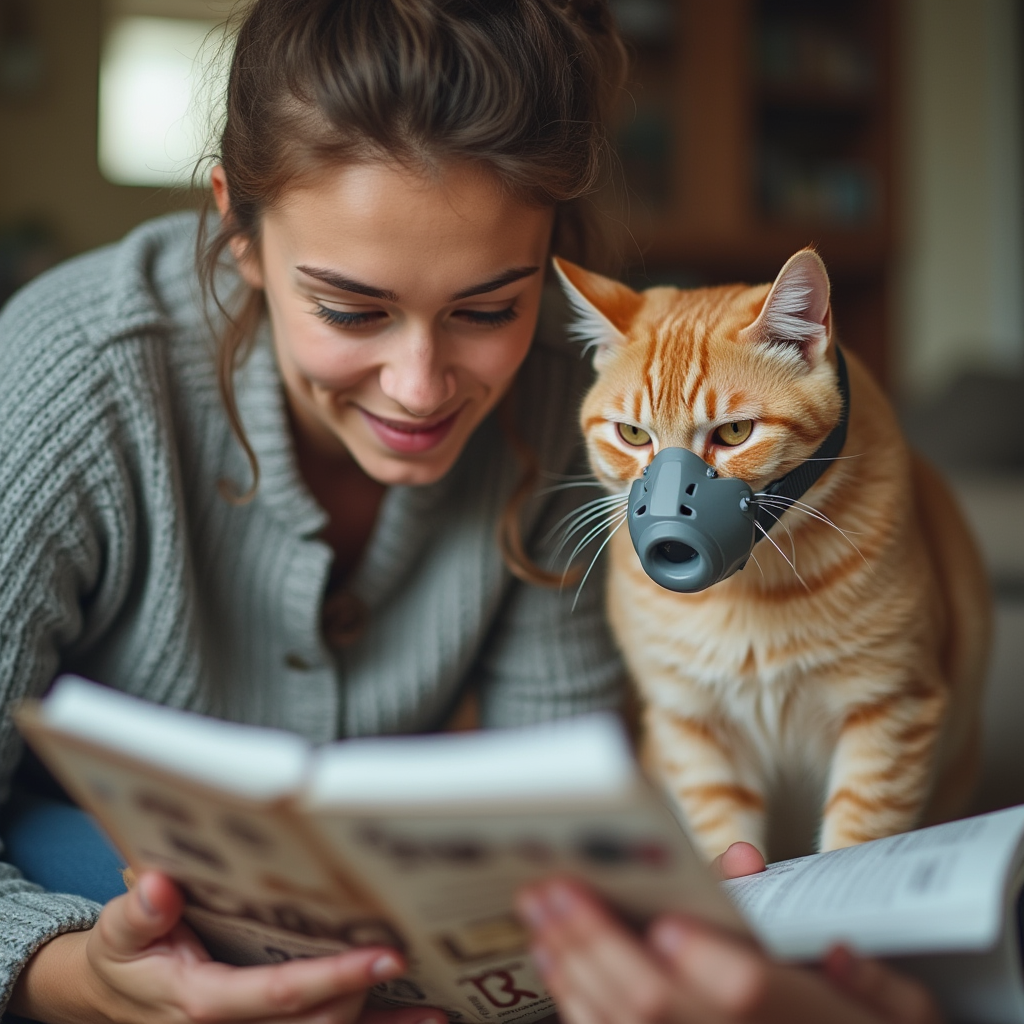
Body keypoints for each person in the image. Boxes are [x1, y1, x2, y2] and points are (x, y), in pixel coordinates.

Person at [0, 2, 944, 1023]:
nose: (419, 387)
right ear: (238, 228)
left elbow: (544, 813)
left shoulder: (577, 406)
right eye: (352, 309)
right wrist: (72, 980)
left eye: (489, 307)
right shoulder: (70, 383)